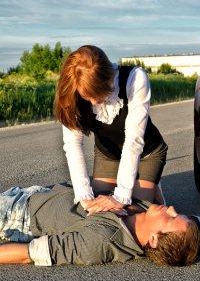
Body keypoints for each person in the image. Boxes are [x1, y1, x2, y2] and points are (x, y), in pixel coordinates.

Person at [0, 184, 200, 267]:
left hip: (16, 214)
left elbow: (30, 254)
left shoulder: (102, 241)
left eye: (172, 218)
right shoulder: (180, 229)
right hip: (38, 191)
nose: (172, 209)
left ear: (154, 239)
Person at [54, 45, 168, 215]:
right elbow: (72, 144)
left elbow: (133, 141)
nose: (93, 102)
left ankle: (150, 188)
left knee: (132, 213)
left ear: (109, 78)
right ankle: (146, 190)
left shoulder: (135, 79)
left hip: (147, 153)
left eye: (97, 94)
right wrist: (84, 195)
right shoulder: (74, 89)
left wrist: (121, 197)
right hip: (108, 155)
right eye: (87, 96)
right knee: (98, 211)